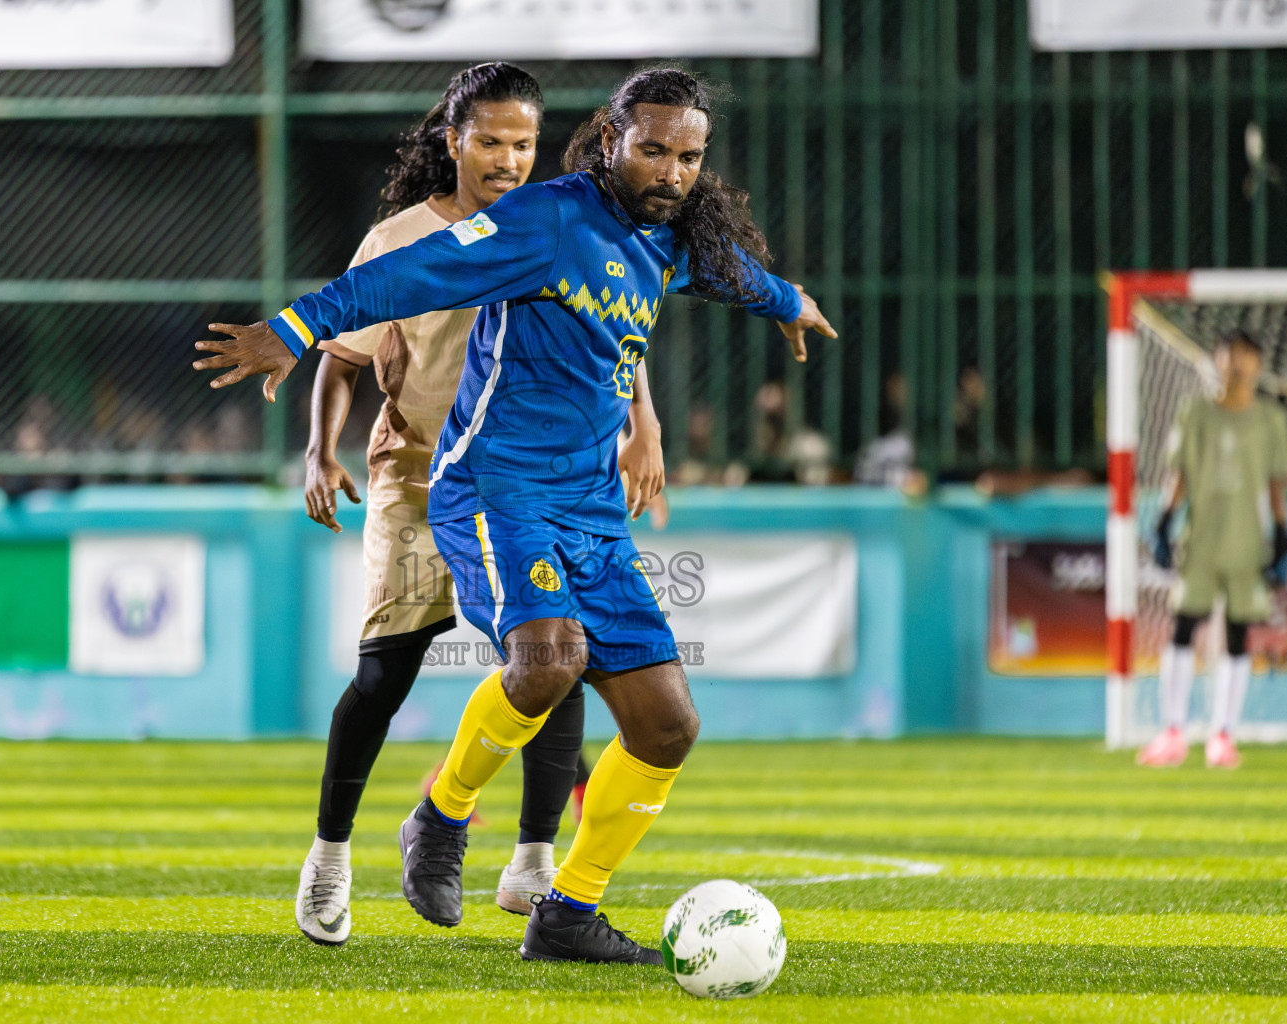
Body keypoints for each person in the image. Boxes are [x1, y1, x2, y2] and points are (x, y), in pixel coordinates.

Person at [192, 65, 834, 964]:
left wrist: (788, 302)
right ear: (611, 140)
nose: (672, 172)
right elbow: (408, 276)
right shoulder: (546, 220)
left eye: (689, 157)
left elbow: (728, 273)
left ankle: (569, 910)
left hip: (591, 508)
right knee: (547, 658)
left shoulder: (665, 238)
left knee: (667, 725)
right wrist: (296, 331)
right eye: (653, 150)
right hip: (493, 487)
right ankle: (438, 818)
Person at [286, 63, 665, 947]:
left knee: (553, 654)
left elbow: (615, 322)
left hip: (535, 480)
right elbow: (342, 359)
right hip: (420, 478)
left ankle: (533, 862)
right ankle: (330, 857)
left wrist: (645, 423)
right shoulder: (401, 238)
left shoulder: (567, 220)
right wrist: (319, 451)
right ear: (450, 142)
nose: (507, 158)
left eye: (524, 142)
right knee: (386, 672)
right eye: (489, 140)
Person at [1138, 329, 1287, 769]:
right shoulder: (1195, 414)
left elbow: (1275, 481)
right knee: (1183, 625)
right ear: (1217, 360)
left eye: (1247, 356)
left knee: (1238, 632)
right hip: (1201, 538)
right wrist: (1163, 520)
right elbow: (1179, 474)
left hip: (1248, 541)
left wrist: (1284, 534)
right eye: (1230, 356)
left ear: (1258, 366)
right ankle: (1173, 731)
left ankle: (1222, 735)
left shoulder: (1270, 420)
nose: (1237, 365)